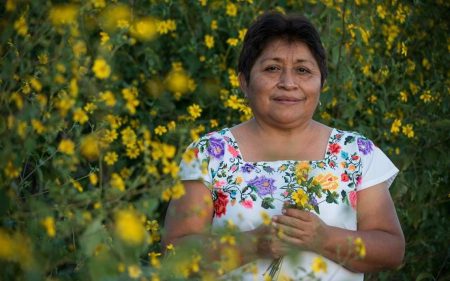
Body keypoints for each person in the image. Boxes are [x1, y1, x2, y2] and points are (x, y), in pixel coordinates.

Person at [162, 11, 405, 281]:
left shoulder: (356, 153)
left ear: (321, 83)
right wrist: (254, 244)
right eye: (272, 69)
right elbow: (175, 254)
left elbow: (392, 251)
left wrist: (323, 238)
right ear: (244, 81)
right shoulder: (208, 154)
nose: (288, 83)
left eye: (303, 70)